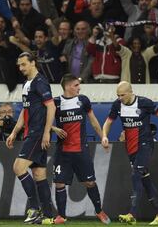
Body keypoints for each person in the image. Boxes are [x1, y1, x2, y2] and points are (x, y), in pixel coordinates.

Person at [101, 81, 158, 225]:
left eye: (122, 95)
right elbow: (108, 122)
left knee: (136, 175)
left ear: (130, 92)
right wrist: (104, 135)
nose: (120, 97)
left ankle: (132, 214)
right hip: (130, 147)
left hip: (145, 144)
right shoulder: (117, 105)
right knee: (145, 180)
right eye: (118, 95)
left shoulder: (144, 103)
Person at [52, 74, 111, 224]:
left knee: (89, 183)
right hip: (62, 152)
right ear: (67, 86)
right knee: (59, 183)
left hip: (81, 151)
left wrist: (103, 136)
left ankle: (99, 211)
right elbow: (42, 122)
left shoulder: (83, 100)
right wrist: (54, 128)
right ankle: (61, 216)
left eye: (79, 85)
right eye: (76, 85)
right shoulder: (55, 103)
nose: (79, 88)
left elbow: (93, 121)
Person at [6, 52, 55, 224]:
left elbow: (51, 107)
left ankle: (34, 208)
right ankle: (48, 216)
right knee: (39, 174)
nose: (21, 68)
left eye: (24, 64)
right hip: (31, 132)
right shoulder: (27, 84)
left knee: (18, 167)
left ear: (33, 63)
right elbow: (25, 110)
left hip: (37, 133)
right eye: (19, 65)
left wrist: (47, 131)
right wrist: (14, 131)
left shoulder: (40, 82)